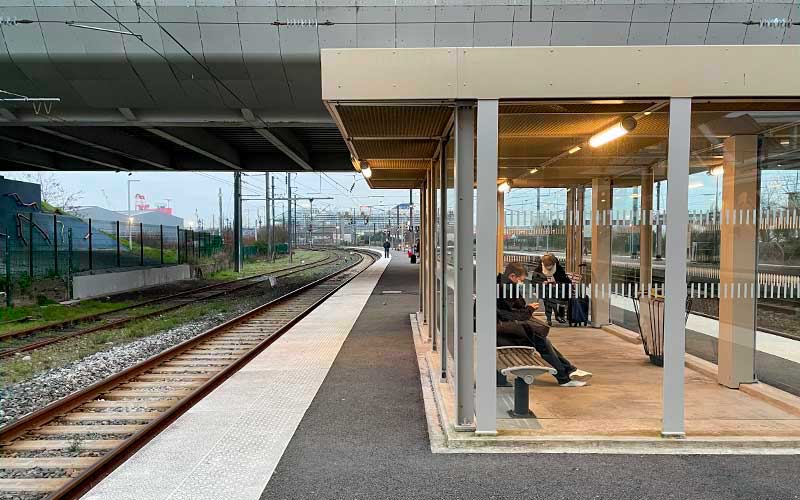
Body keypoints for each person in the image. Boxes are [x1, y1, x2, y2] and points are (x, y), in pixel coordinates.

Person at [497, 262, 591, 387]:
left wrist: (526, 309)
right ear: (513, 276)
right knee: (543, 342)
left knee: (544, 341)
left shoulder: (502, 285)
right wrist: (529, 309)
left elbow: (509, 311)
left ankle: (569, 371)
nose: (521, 283)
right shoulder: (505, 288)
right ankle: (565, 377)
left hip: (502, 330)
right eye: (520, 280)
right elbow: (512, 314)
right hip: (503, 334)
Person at [531, 253, 571, 326]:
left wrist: (556, 283)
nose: (548, 267)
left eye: (550, 265)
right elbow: (534, 280)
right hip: (546, 290)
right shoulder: (539, 269)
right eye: (547, 265)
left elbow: (565, 280)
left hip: (558, 290)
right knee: (549, 296)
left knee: (549, 297)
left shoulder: (558, 269)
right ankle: (556, 314)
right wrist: (543, 282)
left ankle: (549, 318)